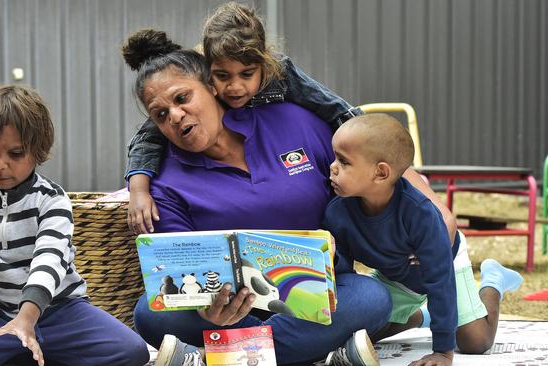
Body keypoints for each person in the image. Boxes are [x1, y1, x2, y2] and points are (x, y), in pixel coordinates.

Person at [121, 29, 389, 366]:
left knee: (373, 297)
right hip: (229, 314)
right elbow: (179, 272)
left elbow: (360, 184)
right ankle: (304, 351)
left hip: (316, 293)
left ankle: (222, 357)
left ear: (212, 87)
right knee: (150, 313)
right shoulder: (163, 184)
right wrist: (208, 313)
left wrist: (341, 238)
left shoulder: (295, 121)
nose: (174, 116)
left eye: (182, 98)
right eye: (160, 114)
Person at [0, 85, 150, 366]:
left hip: (60, 311)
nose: (0, 164)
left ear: (38, 151)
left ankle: (27, 348)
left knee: (132, 351)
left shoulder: (52, 200)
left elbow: (49, 260)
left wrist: (27, 318)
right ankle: (22, 351)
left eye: (15, 153)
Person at [125, 1, 364, 235]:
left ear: (264, 64)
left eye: (247, 74)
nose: (235, 87)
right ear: (209, 78)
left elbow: (337, 109)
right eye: (222, 76)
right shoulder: (189, 86)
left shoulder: (281, 77)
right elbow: (146, 139)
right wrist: (138, 189)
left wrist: (385, 159)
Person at [323, 113, 524, 366]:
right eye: (334, 157)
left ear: (381, 173)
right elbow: (344, 274)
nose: (332, 166)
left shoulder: (420, 214)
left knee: (475, 342)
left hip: (443, 264)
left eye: (343, 161)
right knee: (361, 336)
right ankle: (424, 315)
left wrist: (442, 351)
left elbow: (440, 280)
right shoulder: (337, 213)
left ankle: (493, 281)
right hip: (396, 276)